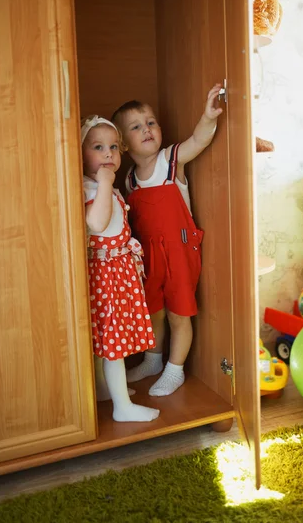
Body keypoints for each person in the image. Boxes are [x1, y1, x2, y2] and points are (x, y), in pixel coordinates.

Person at [111, 84, 223, 396]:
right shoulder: (130, 178)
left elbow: (199, 140)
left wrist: (208, 116)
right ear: (122, 143)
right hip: (150, 253)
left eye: (150, 122)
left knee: (179, 312)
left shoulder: (170, 160)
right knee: (153, 310)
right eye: (136, 127)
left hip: (179, 248)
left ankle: (175, 370)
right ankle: (153, 360)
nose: (146, 129)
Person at [81, 115, 159, 422]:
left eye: (114, 147)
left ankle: (106, 389)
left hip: (117, 270)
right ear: (81, 153)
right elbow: (97, 223)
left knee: (108, 339)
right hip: (106, 274)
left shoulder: (104, 185)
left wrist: (106, 184)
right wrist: (103, 184)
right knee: (113, 342)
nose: (108, 154)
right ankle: (122, 407)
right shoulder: (91, 187)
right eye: (98, 147)